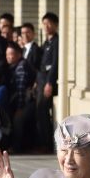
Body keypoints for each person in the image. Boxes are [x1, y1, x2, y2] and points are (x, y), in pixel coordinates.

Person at [35, 12, 59, 153]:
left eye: (49, 23)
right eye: (44, 23)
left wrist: (50, 82)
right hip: (41, 81)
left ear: (55, 24)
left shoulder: (57, 42)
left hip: (48, 83)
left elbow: (55, 64)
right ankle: (43, 142)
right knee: (39, 112)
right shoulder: (46, 43)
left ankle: (48, 145)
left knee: (43, 111)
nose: (46, 26)